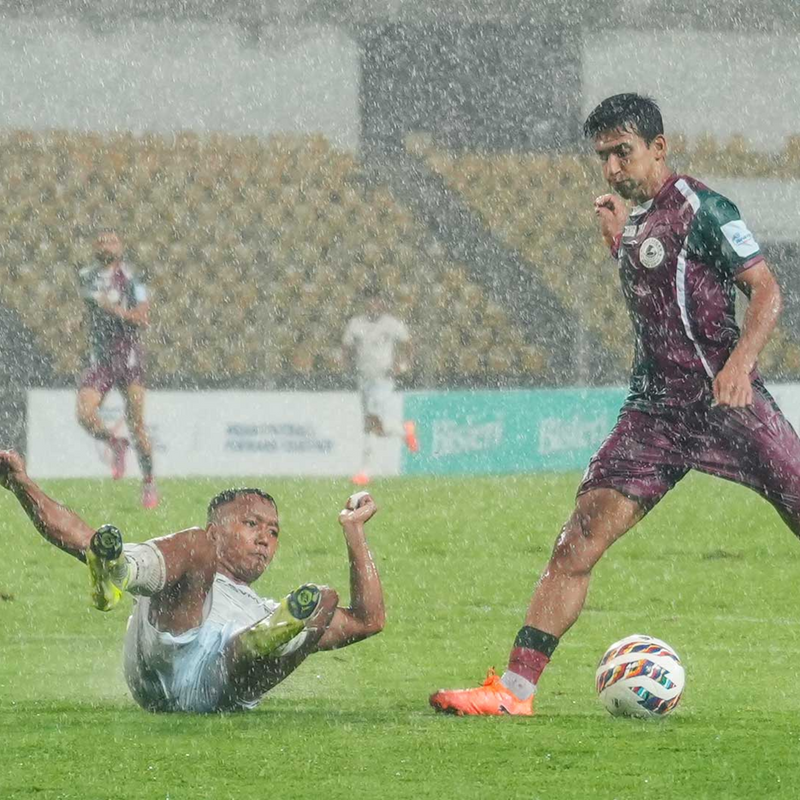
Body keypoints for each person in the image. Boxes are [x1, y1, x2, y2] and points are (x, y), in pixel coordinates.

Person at [429, 93, 800, 716]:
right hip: (653, 413)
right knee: (577, 541)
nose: (611, 168)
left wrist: (740, 365)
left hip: (724, 401)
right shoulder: (635, 222)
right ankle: (514, 692)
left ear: (658, 147)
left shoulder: (705, 209)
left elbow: (765, 292)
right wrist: (618, 243)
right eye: (602, 156)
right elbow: (661, 289)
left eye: (622, 152)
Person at [0, 448, 384, 713]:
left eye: (273, 531)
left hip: (223, 680)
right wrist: (21, 482)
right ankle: (117, 570)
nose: (265, 538)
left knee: (323, 599)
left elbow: (369, 620)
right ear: (218, 530)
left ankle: (258, 642)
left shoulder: (267, 608)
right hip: (169, 650)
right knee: (195, 548)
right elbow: (82, 538)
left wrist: (353, 529)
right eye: (251, 523)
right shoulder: (180, 567)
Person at [75, 230, 158, 508]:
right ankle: (114, 443)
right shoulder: (87, 276)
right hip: (101, 358)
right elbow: (93, 308)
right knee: (84, 414)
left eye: (112, 241)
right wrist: (81, 322)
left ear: (120, 246)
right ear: (94, 247)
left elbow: (142, 316)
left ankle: (148, 482)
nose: (106, 245)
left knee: (137, 425)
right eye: (101, 241)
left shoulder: (133, 278)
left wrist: (116, 310)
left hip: (129, 356)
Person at [342, 288, 419, 485]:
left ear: (383, 303)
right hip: (364, 379)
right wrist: (347, 365)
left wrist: (403, 365)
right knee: (374, 425)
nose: (374, 305)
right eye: (370, 301)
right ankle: (404, 431)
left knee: (372, 421)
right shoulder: (356, 324)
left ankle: (365, 471)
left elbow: (408, 344)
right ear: (365, 303)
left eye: (377, 301)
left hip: (382, 380)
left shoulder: (391, 324)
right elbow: (347, 347)